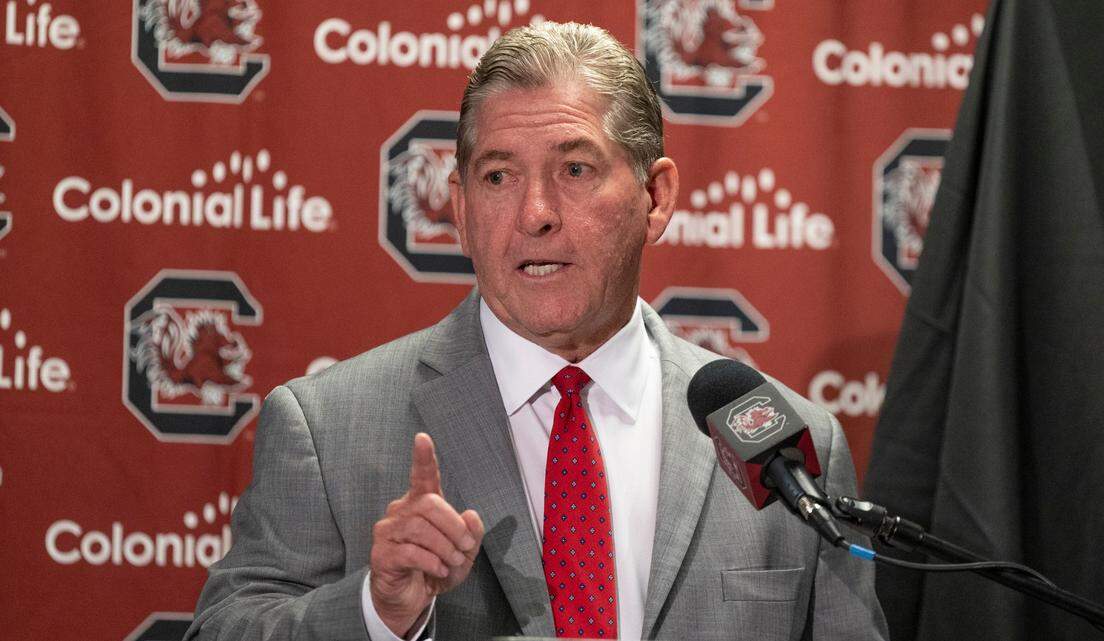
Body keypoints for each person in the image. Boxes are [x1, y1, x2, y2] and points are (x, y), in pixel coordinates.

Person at [187, 21, 887, 641]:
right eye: (498, 176)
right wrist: (375, 610)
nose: (536, 213)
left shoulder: (788, 446)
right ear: (458, 209)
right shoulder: (327, 428)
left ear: (655, 196)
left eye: (575, 169)